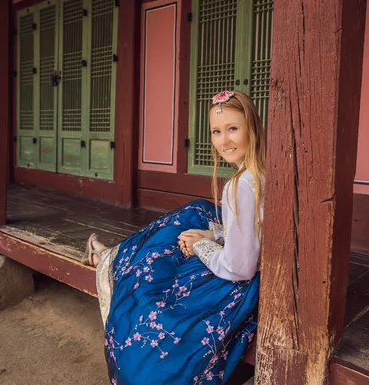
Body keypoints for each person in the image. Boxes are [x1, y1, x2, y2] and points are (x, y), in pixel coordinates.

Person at [82, 90, 266, 385]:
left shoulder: (241, 185)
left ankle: (109, 257)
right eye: (216, 132)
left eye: (233, 129)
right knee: (187, 223)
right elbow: (256, 230)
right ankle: (111, 256)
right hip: (248, 271)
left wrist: (201, 244)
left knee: (148, 290)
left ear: (252, 128)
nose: (224, 140)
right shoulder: (260, 174)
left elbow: (239, 268)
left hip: (239, 284)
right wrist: (212, 233)